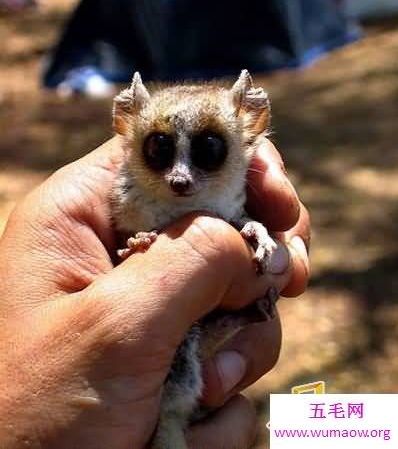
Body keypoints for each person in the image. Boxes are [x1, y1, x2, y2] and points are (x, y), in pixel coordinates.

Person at [0, 136, 310, 448]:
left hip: (180, 373)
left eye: (208, 152)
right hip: (161, 380)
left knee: (197, 354)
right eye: (160, 152)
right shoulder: (127, 193)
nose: (180, 175)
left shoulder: (234, 186)